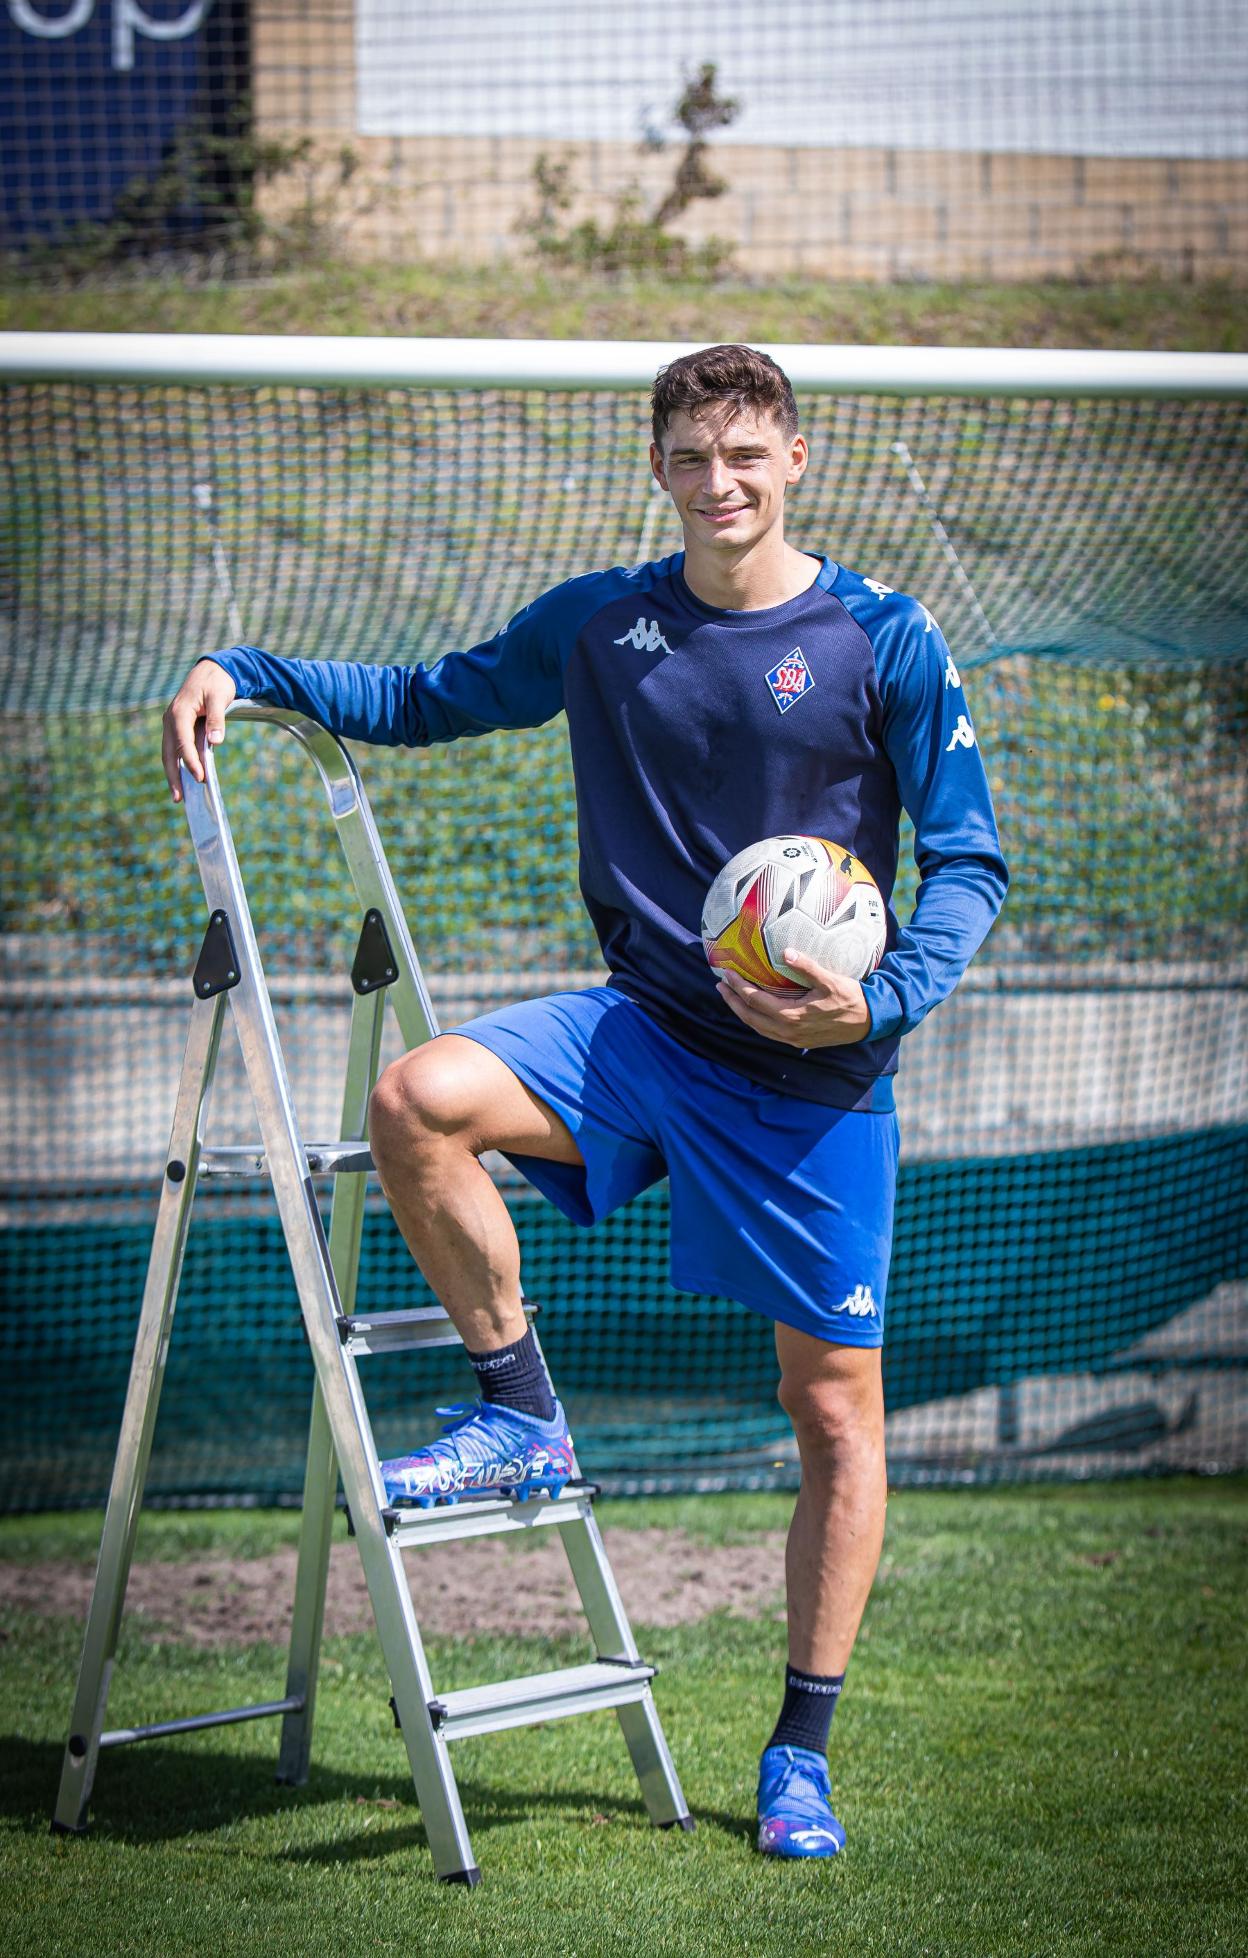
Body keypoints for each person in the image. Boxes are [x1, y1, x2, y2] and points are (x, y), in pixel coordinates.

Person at [162, 343, 1008, 1861]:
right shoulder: (605, 624)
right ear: (660, 467)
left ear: (796, 460)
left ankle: (800, 1747)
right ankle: (522, 1414)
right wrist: (251, 671)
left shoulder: (886, 636)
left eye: (747, 454)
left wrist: (871, 998)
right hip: (644, 1033)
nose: (720, 482)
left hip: (816, 1085)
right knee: (423, 1097)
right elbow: (426, 697)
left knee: (832, 1413)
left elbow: (971, 860)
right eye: (692, 456)